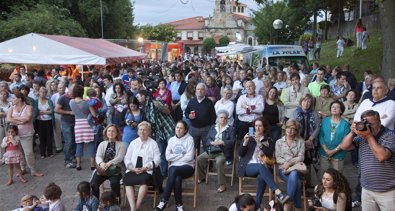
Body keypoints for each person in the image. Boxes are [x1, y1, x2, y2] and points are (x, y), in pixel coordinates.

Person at [339, 110, 395, 211]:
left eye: (371, 124)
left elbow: (382, 156)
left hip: (388, 191)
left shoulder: (390, 135)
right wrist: (352, 132)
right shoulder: (362, 137)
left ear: (379, 122)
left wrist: (369, 136)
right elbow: (344, 146)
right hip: (366, 190)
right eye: (366, 123)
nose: (368, 126)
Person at [238, 117, 289, 210]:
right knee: (261, 167)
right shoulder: (249, 138)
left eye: (260, 126)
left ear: (264, 127)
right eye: (256, 126)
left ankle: (256, 207)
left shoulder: (269, 140)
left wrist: (260, 144)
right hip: (248, 167)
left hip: (264, 169)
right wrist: (245, 142)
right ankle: (278, 192)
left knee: (262, 177)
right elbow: (240, 153)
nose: (257, 128)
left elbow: (270, 153)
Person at [155, 120, 195, 211]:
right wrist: (182, 155)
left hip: (187, 167)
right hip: (175, 168)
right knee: (177, 178)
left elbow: (189, 157)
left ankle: (164, 200)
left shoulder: (190, 139)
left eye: (181, 128)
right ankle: (179, 205)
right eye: (177, 127)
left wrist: (175, 157)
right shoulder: (172, 140)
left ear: (185, 130)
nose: (178, 130)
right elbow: (167, 157)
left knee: (173, 170)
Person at [124, 121, 160, 211]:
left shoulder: (153, 143)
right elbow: (127, 158)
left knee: (144, 181)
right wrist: (132, 168)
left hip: (146, 170)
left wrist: (146, 167)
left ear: (149, 132)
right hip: (133, 169)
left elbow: (157, 160)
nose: (142, 132)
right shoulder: (133, 143)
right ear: (137, 131)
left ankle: (137, 206)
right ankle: (133, 208)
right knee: (127, 181)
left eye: (145, 130)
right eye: (140, 129)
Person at [6, 91, 44, 177]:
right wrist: (20, 120)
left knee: (28, 153)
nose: (12, 100)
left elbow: (28, 118)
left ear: (19, 99)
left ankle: (33, 170)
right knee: (19, 152)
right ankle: (22, 168)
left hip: (27, 133)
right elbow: (8, 119)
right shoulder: (12, 107)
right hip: (15, 135)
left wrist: (14, 118)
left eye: (14, 98)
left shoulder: (28, 107)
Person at [197, 110, 235, 192]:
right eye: (221, 117)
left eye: (225, 118)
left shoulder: (231, 129)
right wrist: (211, 142)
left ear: (227, 119)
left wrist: (223, 142)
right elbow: (207, 138)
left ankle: (222, 184)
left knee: (218, 162)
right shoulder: (213, 127)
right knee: (199, 158)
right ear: (218, 118)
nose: (223, 119)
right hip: (212, 150)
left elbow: (232, 141)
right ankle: (202, 177)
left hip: (222, 152)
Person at [275, 119, 305, 211]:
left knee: (294, 174)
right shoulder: (279, 142)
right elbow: (278, 158)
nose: (290, 130)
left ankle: (286, 202)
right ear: (285, 128)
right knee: (297, 183)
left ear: (296, 131)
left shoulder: (300, 141)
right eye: (288, 128)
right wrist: (285, 164)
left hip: (297, 169)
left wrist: (289, 162)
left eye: (293, 129)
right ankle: (298, 207)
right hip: (283, 170)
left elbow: (301, 157)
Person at [91, 124, 126, 203]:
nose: (111, 133)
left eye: (113, 131)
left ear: (117, 133)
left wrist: (109, 163)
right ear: (106, 132)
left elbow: (120, 158)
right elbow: (98, 156)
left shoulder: (122, 145)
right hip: (103, 169)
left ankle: (116, 203)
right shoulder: (102, 144)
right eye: (109, 131)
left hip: (115, 170)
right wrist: (101, 163)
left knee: (114, 183)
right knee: (93, 184)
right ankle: (95, 203)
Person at [318, 101, 350, 176]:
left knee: (337, 176)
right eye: (333, 107)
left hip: (338, 154)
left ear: (341, 110)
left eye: (337, 107)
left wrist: (333, 151)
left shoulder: (345, 124)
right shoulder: (325, 121)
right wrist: (326, 150)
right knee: (324, 174)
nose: (334, 108)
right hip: (324, 153)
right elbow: (321, 136)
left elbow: (345, 141)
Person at [69, 84, 96, 170]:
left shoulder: (71, 102)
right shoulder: (87, 103)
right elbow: (94, 114)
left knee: (79, 144)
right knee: (91, 144)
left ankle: (78, 164)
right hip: (88, 124)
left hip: (78, 125)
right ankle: (92, 164)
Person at [185, 83, 216, 154]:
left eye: (202, 89)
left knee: (207, 148)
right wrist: (189, 116)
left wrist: (211, 128)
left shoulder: (209, 102)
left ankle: (208, 165)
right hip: (194, 129)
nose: (199, 91)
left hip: (206, 129)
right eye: (198, 89)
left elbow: (213, 116)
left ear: (205, 91)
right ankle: (195, 164)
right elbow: (186, 112)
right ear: (195, 91)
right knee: (194, 149)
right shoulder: (192, 101)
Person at [55, 83, 77, 168]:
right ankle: (67, 160)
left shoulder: (76, 97)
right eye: (72, 90)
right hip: (66, 122)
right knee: (68, 141)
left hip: (75, 122)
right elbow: (56, 109)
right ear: (69, 90)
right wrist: (69, 112)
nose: (73, 92)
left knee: (74, 141)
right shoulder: (63, 98)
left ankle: (72, 157)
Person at [36, 87, 55, 158]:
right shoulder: (36, 101)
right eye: (41, 92)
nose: (42, 94)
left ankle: (50, 152)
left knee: (49, 137)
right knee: (41, 137)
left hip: (48, 121)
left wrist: (42, 112)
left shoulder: (49, 101)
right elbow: (36, 112)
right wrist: (47, 111)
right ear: (39, 93)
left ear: (46, 93)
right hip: (39, 121)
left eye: (44, 92)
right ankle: (42, 153)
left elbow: (52, 111)